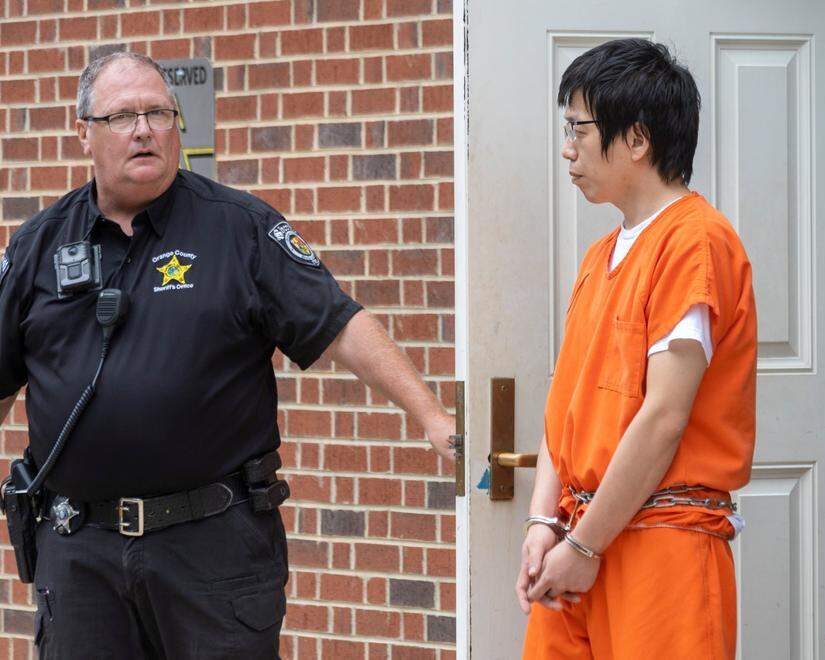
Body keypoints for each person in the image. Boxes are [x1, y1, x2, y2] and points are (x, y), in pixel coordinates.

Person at [0, 52, 455, 658]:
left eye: (159, 113)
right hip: (82, 554)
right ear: (82, 130)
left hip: (213, 550)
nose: (144, 130)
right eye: (123, 116)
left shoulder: (239, 229)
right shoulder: (38, 247)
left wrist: (431, 417)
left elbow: (340, 325)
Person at [514, 39, 756, 659]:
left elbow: (663, 416)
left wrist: (583, 545)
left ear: (637, 139)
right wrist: (545, 524)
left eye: (579, 127)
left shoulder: (694, 241)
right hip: (581, 535)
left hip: (661, 543)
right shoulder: (599, 257)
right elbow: (561, 411)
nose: (568, 147)